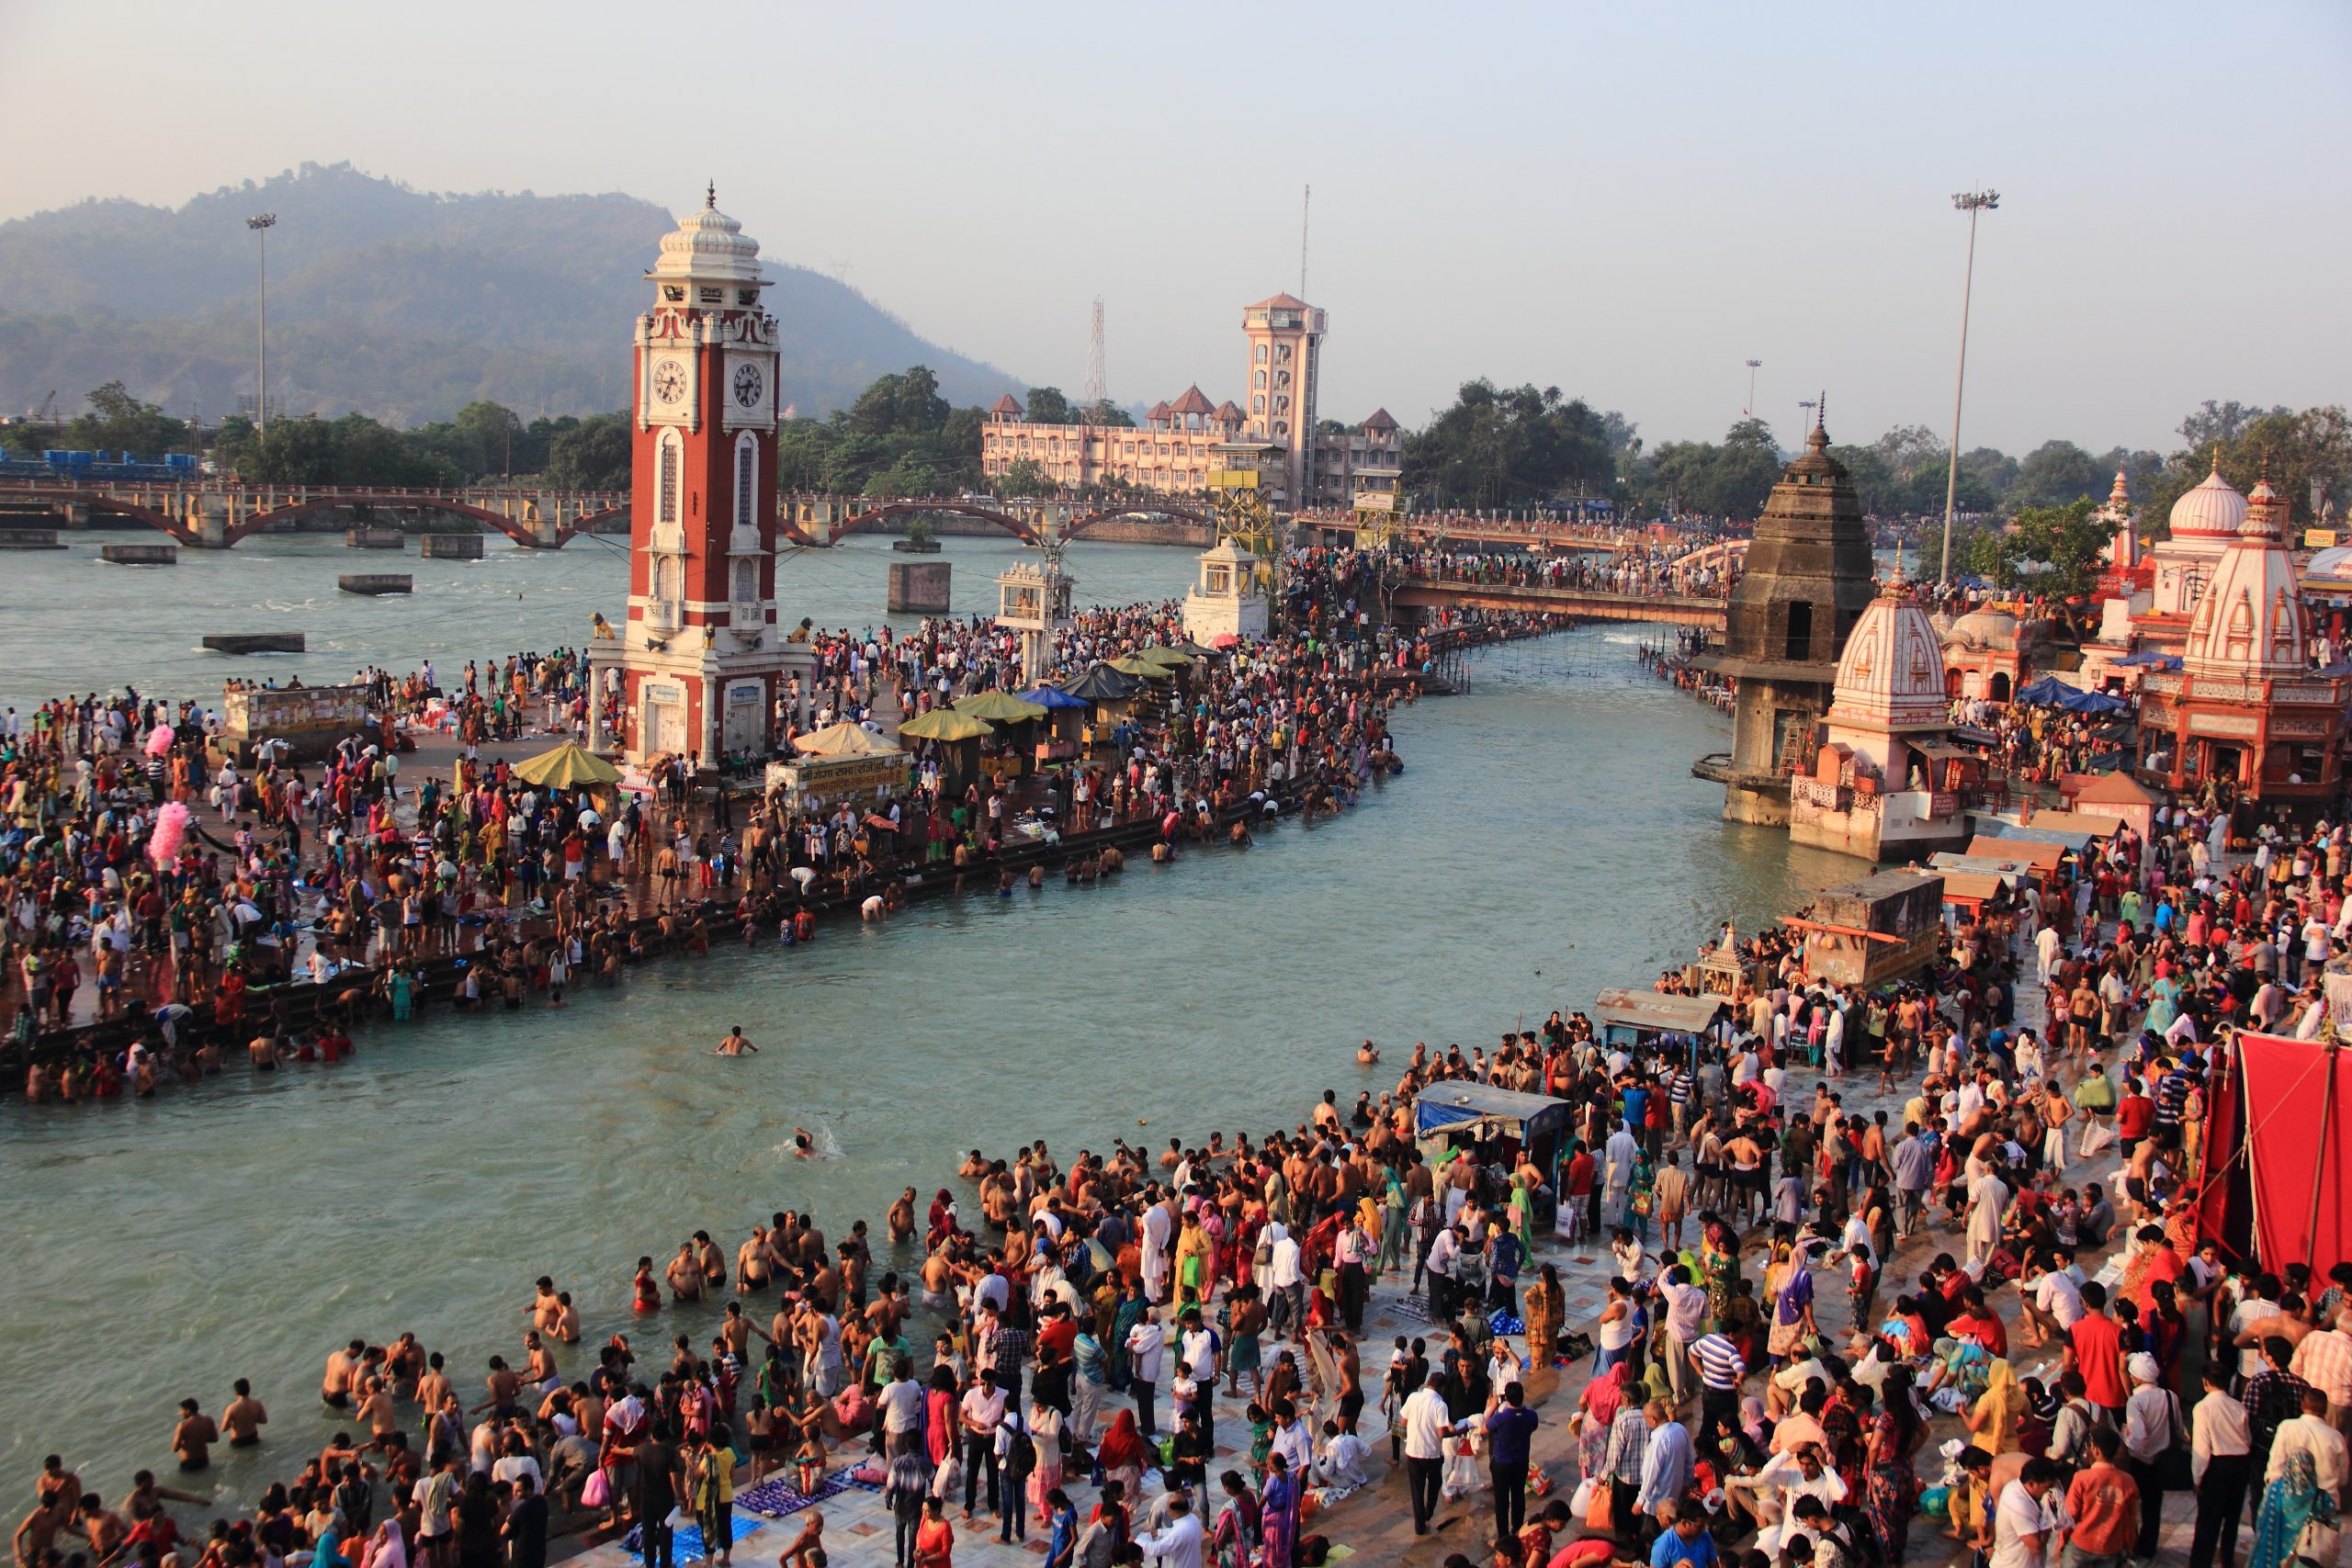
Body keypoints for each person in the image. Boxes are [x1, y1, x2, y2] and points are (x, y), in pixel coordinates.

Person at [2253, 1390, 2346, 1568]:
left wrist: (2272, 1498)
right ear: (2325, 1409)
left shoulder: (2288, 1427)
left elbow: (2275, 1469)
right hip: (2323, 1513)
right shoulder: (2336, 1438)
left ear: (2303, 1405)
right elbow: (2342, 1479)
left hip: (2289, 1506)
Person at [2189, 1363, 2254, 1568]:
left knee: (2209, 1521)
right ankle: (2227, 1560)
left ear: (2205, 1382)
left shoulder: (2203, 1407)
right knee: (2231, 1519)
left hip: (2218, 1466)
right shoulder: (2238, 1406)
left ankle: (2201, 1563)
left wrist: (2197, 1478)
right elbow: (2247, 1438)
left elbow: (2201, 1447)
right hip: (2241, 1464)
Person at [2062, 1428, 2139, 1568]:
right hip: (2111, 1546)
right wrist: (2128, 1547)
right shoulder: (2128, 1482)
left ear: (2096, 1451)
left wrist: (2061, 1544)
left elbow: (2070, 1515)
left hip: (2081, 1544)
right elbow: (2130, 1521)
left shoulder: (2082, 1478)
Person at [1484, 1381, 1540, 1544]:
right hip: (1521, 1462)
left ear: (1506, 1398)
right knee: (1518, 1496)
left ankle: (1503, 1536)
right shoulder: (1531, 1416)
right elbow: (1533, 1426)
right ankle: (1517, 1529)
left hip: (1501, 1463)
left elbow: (1483, 1427)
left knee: (1501, 1500)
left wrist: (1493, 1406)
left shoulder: (1501, 1418)